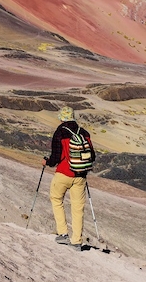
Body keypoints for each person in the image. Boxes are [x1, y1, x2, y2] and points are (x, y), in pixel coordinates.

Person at [42, 106, 95, 251]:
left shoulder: (60, 132)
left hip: (64, 173)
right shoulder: (84, 133)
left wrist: (47, 162)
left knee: (56, 199)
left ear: (62, 117)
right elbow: (92, 156)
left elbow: (56, 157)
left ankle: (63, 233)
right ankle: (77, 241)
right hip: (80, 176)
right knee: (78, 208)